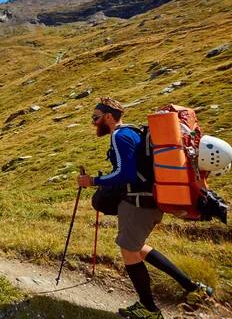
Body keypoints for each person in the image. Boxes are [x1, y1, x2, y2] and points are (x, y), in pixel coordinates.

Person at [77, 97, 212, 319]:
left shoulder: (120, 136)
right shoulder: (132, 132)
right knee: (139, 248)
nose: (93, 122)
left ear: (108, 117)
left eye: (95, 117)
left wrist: (91, 181)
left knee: (129, 251)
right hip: (151, 202)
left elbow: (126, 174)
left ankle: (149, 310)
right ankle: (194, 288)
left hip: (137, 204)